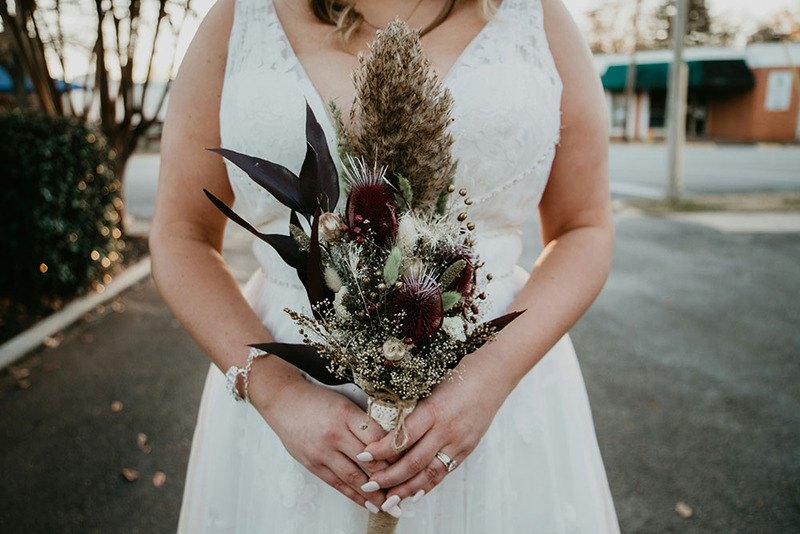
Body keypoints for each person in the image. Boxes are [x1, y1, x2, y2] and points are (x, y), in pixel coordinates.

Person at [151, 0, 620, 531]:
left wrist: (490, 377)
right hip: (283, 409)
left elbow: (585, 227)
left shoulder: (536, 15)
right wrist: (279, 394)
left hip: (499, 397)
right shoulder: (240, 16)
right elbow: (181, 235)